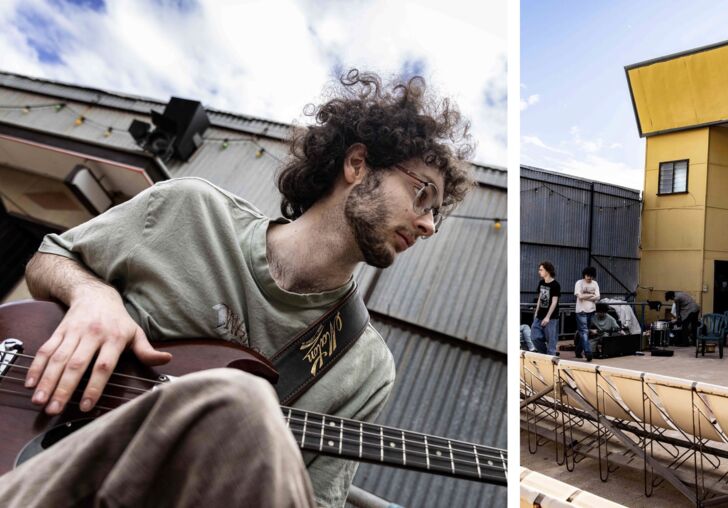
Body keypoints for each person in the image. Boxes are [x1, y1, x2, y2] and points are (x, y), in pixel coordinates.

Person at [1, 69, 474, 507]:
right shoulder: (190, 209)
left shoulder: (365, 367)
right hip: (36, 469)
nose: (429, 225)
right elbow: (50, 260)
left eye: (435, 211)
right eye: (422, 194)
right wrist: (92, 294)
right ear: (357, 164)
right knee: (244, 399)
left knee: (243, 405)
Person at [532, 261, 560, 355]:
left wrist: (547, 317)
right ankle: (545, 355)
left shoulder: (555, 285)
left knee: (551, 341)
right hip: (539, 315)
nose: (539, 271)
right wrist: (536, 312)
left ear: (547, 271)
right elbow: (540, 298)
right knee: (534, 337)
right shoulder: (541, 282)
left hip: (551, 317)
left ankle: (551, 359)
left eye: (541, 270)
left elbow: (554, 302)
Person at [573, 266, 600, 361]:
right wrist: (591, 295)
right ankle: (588, 352)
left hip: (591, 310)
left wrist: (585, 296)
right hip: (581, 311)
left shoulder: (595, 283)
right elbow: (579, 296)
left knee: (585, 332)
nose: (590, 278)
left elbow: (598, 297)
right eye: (588, 276)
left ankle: (577, 351)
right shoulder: (579, 283)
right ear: (584, 275)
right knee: (584, 331)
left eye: (592, 276)